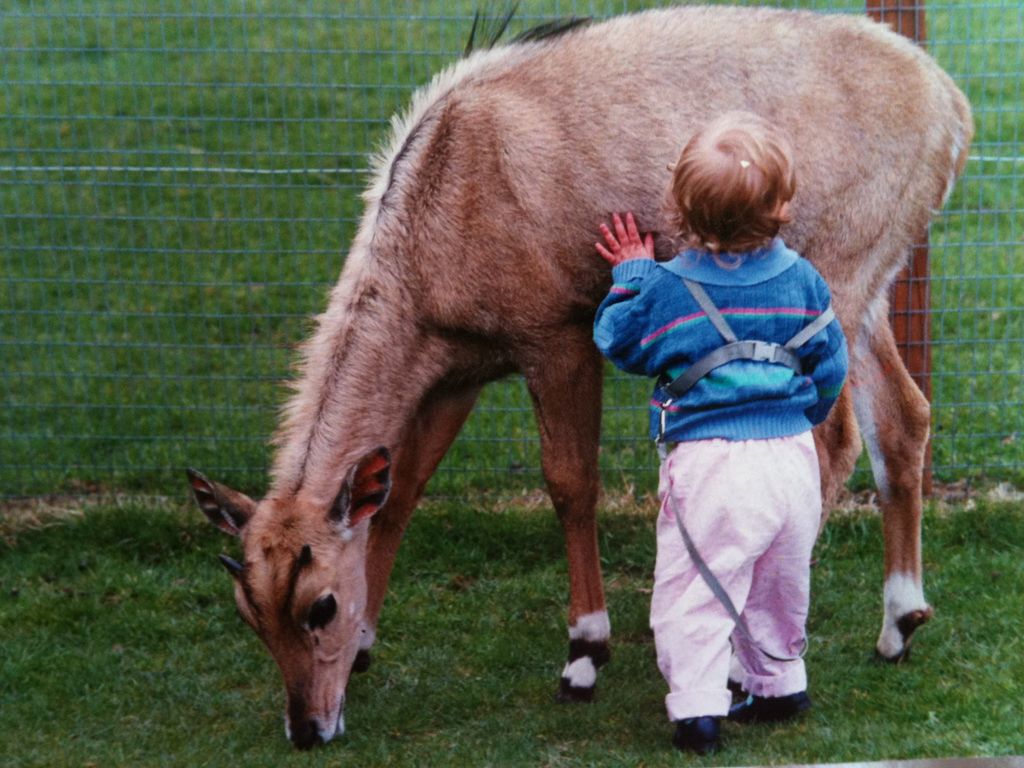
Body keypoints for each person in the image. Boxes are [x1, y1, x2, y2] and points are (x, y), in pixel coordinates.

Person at [592, 111, 848, 755]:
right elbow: (832, 363)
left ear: (680, 208)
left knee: (696, 585)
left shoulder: (670, 289)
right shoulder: (804, 281)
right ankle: (780, 682)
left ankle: (699, 708)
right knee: (780, 579)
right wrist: (803, 419)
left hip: (711, 464)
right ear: (782, 205)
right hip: (791, 461)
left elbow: (619, 341)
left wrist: (633, 276)